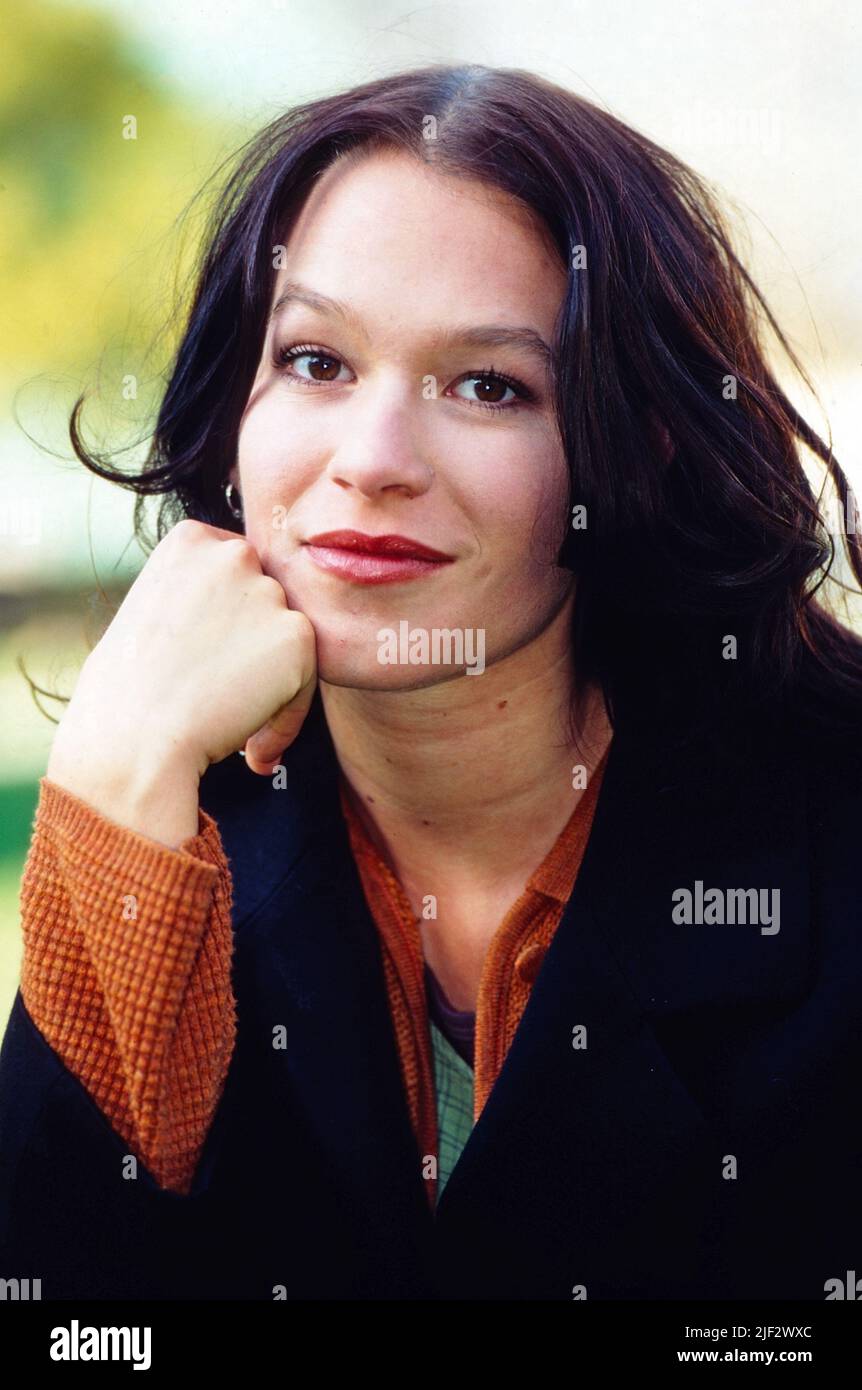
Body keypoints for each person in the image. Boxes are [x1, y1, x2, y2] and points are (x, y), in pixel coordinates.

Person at [1, 63, 860, 1301]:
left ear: (632, 447)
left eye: (488, 385)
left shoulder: (822, 851)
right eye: (314, 360)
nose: (373, 460)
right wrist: (115, 770)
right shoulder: (166, 832)